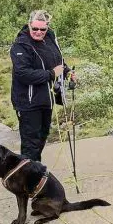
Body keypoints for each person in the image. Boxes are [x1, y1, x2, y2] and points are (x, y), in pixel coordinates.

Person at [9, 10, 75, 162]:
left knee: (41, 138)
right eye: (35, 29)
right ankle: (29, 179)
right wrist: (51, 74)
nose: (39, 32)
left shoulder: (50, 38)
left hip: (47, 99)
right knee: (31, 144)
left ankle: (33, 171)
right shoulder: (20, 45)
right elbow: (23, 74)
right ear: (29, 25)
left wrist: (67, 72)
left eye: (42, 29)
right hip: (28, 102)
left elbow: (58, 60)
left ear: (47, 27)